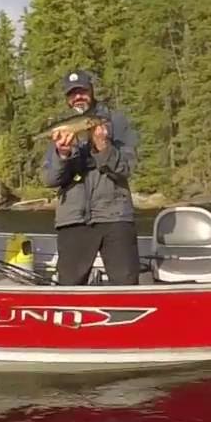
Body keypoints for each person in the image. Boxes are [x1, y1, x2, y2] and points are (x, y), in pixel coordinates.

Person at [40, 69, 141, 286]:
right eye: (72, 94)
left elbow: (128, 168)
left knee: (126, 286)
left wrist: (104, 146)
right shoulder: (61, 127)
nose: (78, 97)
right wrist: (62, 154)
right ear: (67, 98)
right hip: (73, 218)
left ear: (91, 90)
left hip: (115, 216)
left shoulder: (116, 121)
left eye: (82, 91)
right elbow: (49, 179)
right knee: (69, 287)